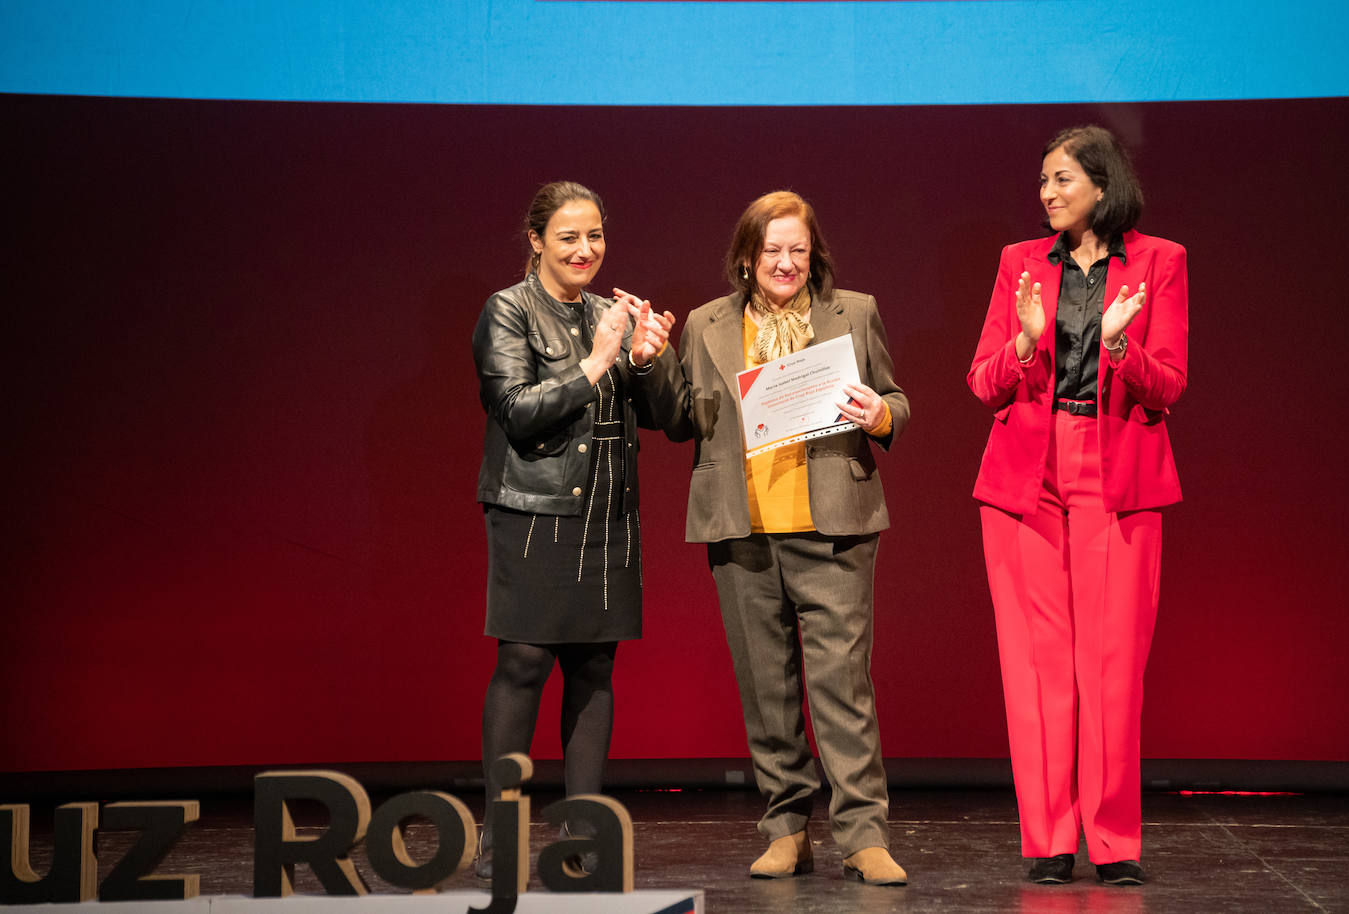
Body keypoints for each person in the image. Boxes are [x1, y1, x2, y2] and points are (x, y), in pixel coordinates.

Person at [657, 190, 910, 885]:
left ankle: (863, 835)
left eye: (798, 249)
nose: (786, 262)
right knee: (767, 691)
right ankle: (787, 828)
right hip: (741, 531)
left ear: (814, 254)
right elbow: (680, 419)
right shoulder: (708, 323)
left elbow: (895, 399)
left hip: (833, 528)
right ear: (747, 256)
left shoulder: (852, 313)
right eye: (772, 249)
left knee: (842, 690)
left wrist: (877, 414)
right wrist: (650, 362)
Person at [967, 125, 1188, 886]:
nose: (1048, 195)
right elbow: (983, 383)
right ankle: (1051, 838)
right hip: (1028, 474)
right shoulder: (1019, 265)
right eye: (1042, 183)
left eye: (1062, 180)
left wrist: (1122, 347)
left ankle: (1115, 840)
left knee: (1113, 667)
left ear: (1102, 183)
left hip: (1117, 470)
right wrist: (1028, 344)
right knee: (1037, 669)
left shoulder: (1160, 261)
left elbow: (1169, 387)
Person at [471, 181, 677, 877]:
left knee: (593, 670)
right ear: (535, 241)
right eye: (568, 237)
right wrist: (596, 363)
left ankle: (584, 841)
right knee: (523, 663)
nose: (585, 249)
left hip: (608, 520)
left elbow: (666, 419)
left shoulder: (608, 313)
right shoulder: (508, 311)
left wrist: (645, 362)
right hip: (534, 513)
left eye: (595, 235)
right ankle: (501, 839)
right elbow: (519, 411)